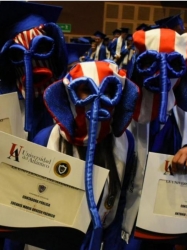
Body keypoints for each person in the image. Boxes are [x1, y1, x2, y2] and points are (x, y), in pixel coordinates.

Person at [124, 26, 187, 250]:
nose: (161, 75)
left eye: (173, 66)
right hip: (122, 224)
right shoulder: (117, 110)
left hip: (173, 226)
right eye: (151, 63)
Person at [32, 60, 139, 250]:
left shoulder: (125, 141)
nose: (97, 99)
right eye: (86, 90)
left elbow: (121, 203)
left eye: (108, 90)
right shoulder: (45, 139)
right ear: (69, 93)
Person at [0, 1, 68, 142]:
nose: (31, 62)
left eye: (42, 48)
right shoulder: (5, 104)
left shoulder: (72, 99)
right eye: (18, 54)